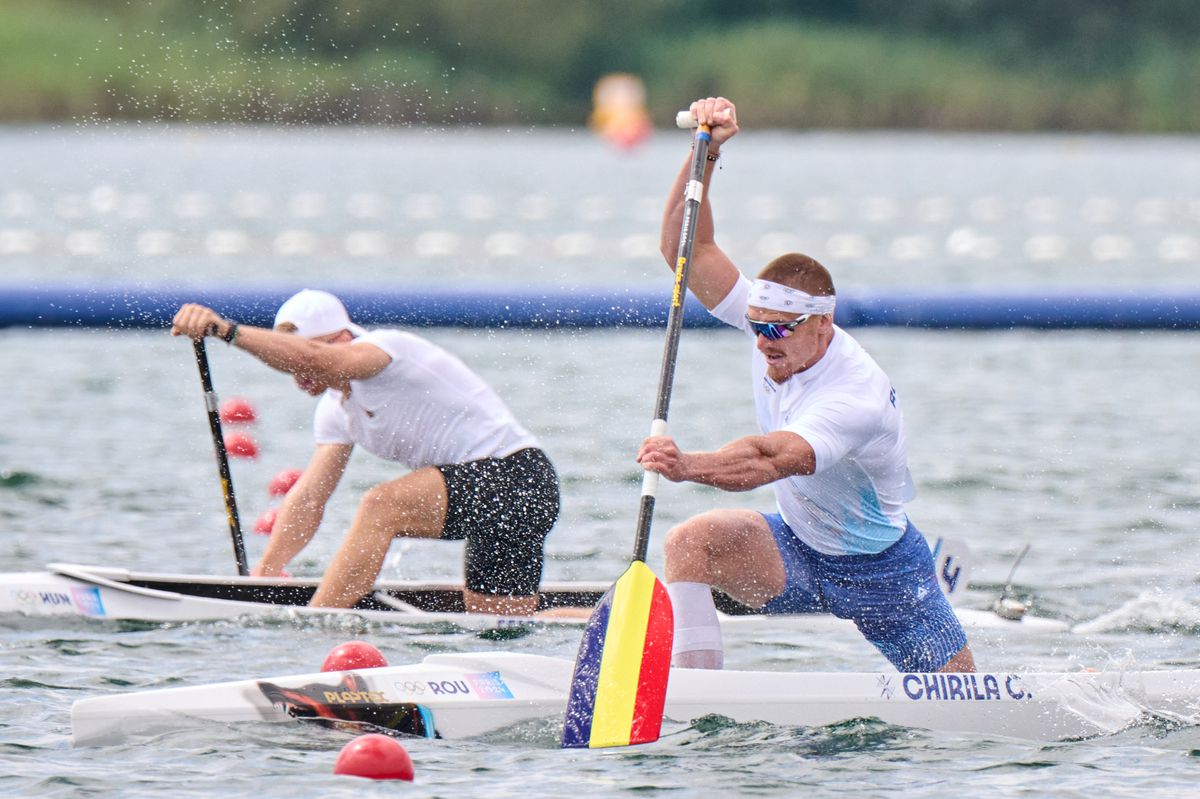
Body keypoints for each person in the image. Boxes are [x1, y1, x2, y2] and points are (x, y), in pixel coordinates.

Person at [642, 96, 975, 673]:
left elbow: (772, 459)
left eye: (778, 329)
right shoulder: (770, 324)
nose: (763, 339)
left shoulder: (855, 394)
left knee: (968, 703)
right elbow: (684, 250)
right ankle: (695, 697)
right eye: (754, 325)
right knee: (689, 544)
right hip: (794, 549)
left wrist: (685, 465)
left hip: (882, 571)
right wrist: (706, 151)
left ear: (823, 326)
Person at [171, 289, 560, 615]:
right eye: (286, 361)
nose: (296, 373)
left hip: (518, 477)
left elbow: (311, 358)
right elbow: (309, 498)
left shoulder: (384, 350)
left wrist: (227, 331)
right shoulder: (335, 411)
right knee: (499, 626)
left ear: (341, 339)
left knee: (381, 506)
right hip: (494, 499)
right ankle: (602, 626)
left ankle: (318, 625)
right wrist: (263, 578)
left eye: (299, 354)